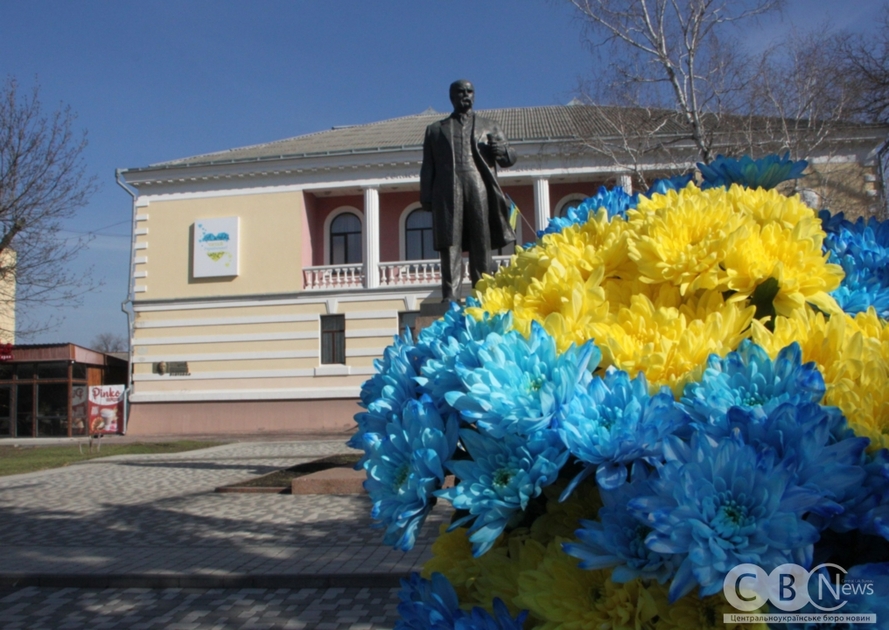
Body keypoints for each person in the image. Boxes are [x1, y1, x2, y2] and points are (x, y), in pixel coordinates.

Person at [420, 80, 517, 302]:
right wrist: (426, 196)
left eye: (470, 91)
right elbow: (428, 166)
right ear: (451, 97)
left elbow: (509, 158)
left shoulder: (490, 126)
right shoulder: (435, 130)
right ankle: (450, 296)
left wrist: (502, 151)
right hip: (447, 189)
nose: (466, 95)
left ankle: (482, 292)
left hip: (478, 184)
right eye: (461, 92)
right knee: (450, 243)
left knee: (480, 240)